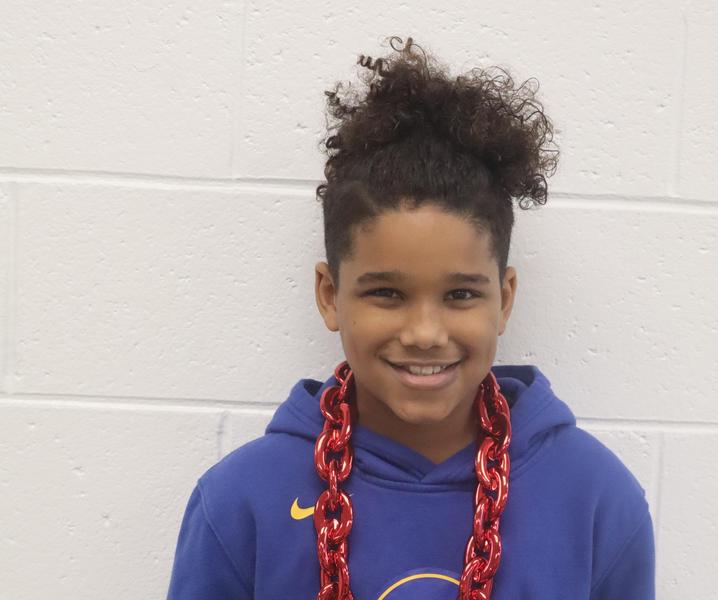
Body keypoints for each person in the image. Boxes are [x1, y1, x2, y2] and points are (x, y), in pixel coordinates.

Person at [166, 36, 655, 599]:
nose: (425, 333)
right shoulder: (240, 503)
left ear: (506, 298)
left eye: (461, 296)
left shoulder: (596, 500)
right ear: (329, 295)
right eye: (387, 294)